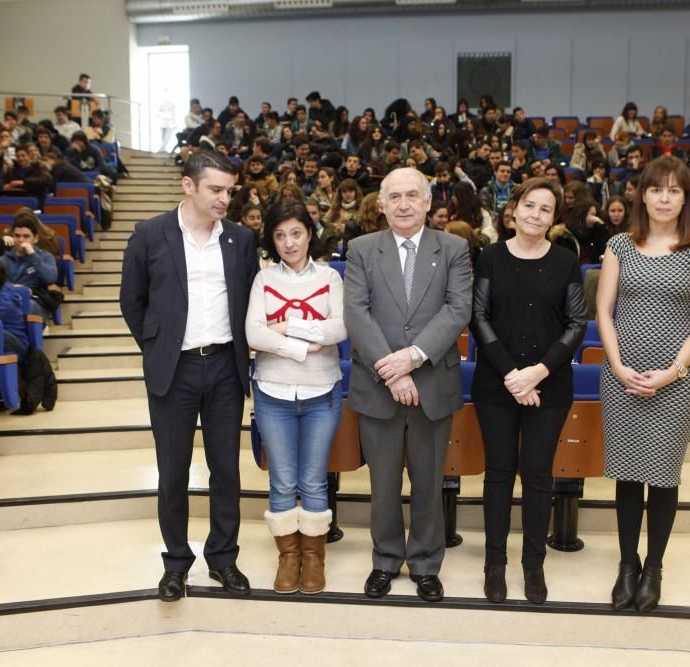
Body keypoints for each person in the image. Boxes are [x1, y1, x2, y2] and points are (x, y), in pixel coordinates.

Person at [120, 151, 258, 602]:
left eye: (230, 191)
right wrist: (157, 347)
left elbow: (249, 299)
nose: (225, 198)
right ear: (189, 186)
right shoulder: (149, 234)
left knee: (225, 470)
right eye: (216, 189)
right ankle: (176, 564)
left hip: (223, 366)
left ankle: (223, 558)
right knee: (173, 472)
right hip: (173, 370)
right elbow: (132, 301)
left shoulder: (241, 239)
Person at [343, 167, 472, 603]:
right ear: (381, 204)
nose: (403, 204)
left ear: (428, 202)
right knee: (382, 485)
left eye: (412, 196)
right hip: (377, 387)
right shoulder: (361, 249)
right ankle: (384, 560)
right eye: (394, 196)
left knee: (428, 483)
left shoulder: (453, 248)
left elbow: (457, 310)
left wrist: (413, 359)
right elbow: (357, 314)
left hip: (432, 385)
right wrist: (391, 371)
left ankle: (425, 563)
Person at [596, 155, 690, 613]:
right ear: (641, 195)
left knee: (663, 478)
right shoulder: (620, 246)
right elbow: (604, 312)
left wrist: (671, 372)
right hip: (622, 376)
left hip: (676, 381)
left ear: (685, 198)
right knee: (628, 477)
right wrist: (618, 365)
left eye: (674, 191)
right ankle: (627, 565)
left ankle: (654, 568)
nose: (664, 198)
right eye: (656, 189)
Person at [471, 177, 586, 604]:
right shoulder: (490, 257)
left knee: (538, 475)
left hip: (549, 384)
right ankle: (495, 563)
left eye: (546, 209)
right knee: (499, 473)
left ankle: (533, 565)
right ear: (513, 208)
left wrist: (535, 373)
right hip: (496, 384)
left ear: (554, 218)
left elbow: (577, 324)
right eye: (530, 205)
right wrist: (513, 376)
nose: (536, 215)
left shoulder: (565, 261)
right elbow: (478, 317)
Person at [245, 200, 348, 595]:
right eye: (280, 235)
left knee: (314, 480)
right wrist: (306, 345)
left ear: (309, 234)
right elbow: (254, 336)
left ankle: (315, 558)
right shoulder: (263, 280)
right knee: (284, 482)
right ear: (272, 239)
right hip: (273, 392)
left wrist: (286, 326)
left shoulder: (330, 278)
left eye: (297, 233)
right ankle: (289, 557)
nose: (289, 242)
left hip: (322, 392)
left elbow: (340, 329)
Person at [0, 212, 60, 321]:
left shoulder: (45, 257)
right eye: (17, 236)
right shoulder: (4, 260)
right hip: (10, 300)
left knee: (27, 305)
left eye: (26, 236)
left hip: (36, 301)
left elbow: (50, 278)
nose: (21, 240)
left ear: (35, 238)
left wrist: (32, 255)